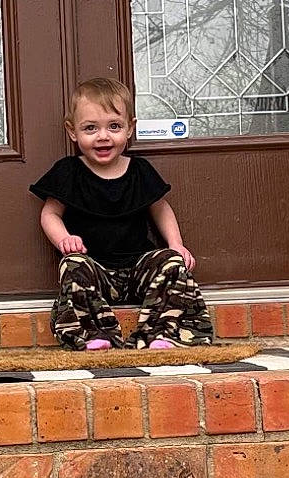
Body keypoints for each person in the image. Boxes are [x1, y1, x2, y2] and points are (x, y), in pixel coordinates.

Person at [30, 76, 214, 351]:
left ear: (130, 128)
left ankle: (162, 333)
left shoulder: (139, 170)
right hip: (95, 270)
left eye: (114, 126)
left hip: (139, 268)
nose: (103, 136)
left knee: (172, 262)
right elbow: (50, 214)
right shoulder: (68, 172)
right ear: (72, 131)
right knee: (73, 265)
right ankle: (94, 334)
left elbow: (161, 208)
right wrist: (64, 239)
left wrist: (175, 244)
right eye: (90, 128)